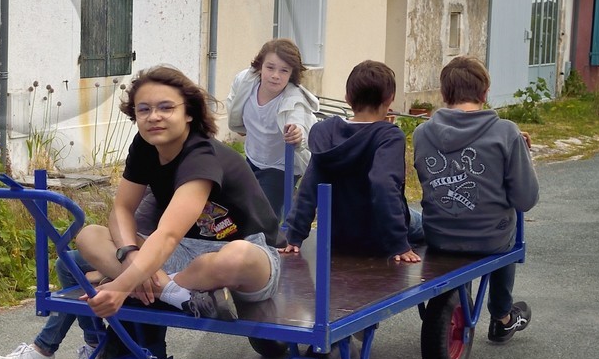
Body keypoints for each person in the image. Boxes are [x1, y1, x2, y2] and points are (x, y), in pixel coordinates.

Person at [83, 65, 282, 325]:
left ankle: (154, 286)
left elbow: (167, 234)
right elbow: (122, 208)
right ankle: (176, 294)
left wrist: (121, 284)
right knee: (90, 235)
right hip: (182, 252)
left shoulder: (202, 156)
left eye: (166, 107)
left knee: (236, 257)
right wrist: (131, 257)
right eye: (144, 109)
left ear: (188, 112)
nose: (154, 117)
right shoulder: (145, 146)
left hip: (243, 253)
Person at [411, 56, 540, 342]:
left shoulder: (422, 132)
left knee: (418, 215)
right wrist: (522, 153)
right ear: (484, 94)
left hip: (439, 235)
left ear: (444, 95)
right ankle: (503, 315)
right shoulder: (506, 132)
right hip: (489, 239)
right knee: (508, 227)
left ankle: (459, 298)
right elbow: (525, 199)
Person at [0, 192, 158, 359]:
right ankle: (89, 344)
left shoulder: (172, 180)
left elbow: (153, 235)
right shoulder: (143, 176)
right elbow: (124, 222)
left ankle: (47, 348)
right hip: (130, 248)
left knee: (79, 269)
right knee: (67, 264)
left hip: (153, 254)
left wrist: (108, 272)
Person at [281, 60, 423, 263]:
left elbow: (310, 185)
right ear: (390, 99)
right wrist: (399, 244)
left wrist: (294, 235)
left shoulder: (326, 133)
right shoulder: (388, 136)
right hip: (379, 239)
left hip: (338, 236)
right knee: (429, 227)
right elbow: (383, 185)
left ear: (347, 98)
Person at [225, 38, 319, 219]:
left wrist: (297, 135)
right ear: (260, 66)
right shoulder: (245, 81)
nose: (276, 75)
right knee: (236, 208)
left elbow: (300, 125)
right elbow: (233, 100)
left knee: (263, 217)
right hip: (253, 158)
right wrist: (238, 124)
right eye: (270, 67)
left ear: (292, 74)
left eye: (284, 70)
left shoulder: (294, 99)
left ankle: (267, 244)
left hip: (281, 167)